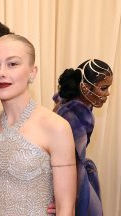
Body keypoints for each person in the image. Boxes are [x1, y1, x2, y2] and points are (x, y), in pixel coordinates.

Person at [0, 34, 77, 215]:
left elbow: (66, 208)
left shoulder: (56, 127)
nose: (1, 72)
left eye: (12, 64)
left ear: (32, 72)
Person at [53, 59, 113, 216]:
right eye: (103, 88)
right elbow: (71, 160)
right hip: (68, 178)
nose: (107, 93)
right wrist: (71, 200)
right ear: (85, 87)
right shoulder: (77, 112)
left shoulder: (70, 103)